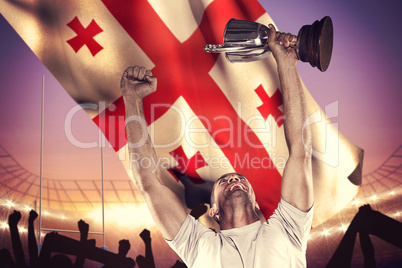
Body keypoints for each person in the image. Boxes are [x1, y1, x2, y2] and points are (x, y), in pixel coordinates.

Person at [121, 24, 313, 267]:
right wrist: (131, 99)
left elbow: (300, 152)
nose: (233, 180)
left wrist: (286, 63)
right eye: (224, 182)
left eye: (237, 179)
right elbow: (149, 183)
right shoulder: (195, 244)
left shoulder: (289, 228)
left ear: (256, 202)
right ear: (213, 211)